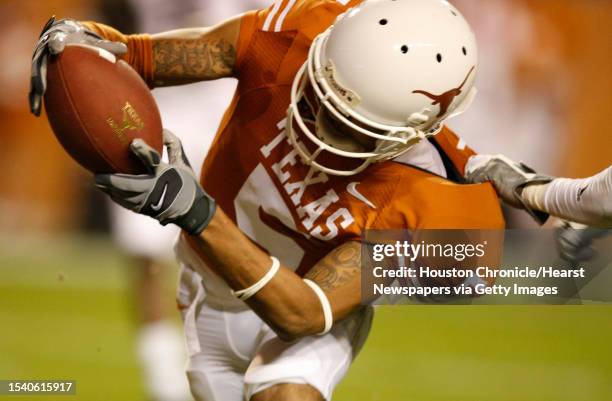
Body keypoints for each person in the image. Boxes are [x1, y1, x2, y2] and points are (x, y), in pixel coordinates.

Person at [28, 1, 607, 400]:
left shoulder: (425, 199)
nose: (321, 133)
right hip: (207, 291)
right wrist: (81, 47)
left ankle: (562, 225)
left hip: (315, 311)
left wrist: (193, 210)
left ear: (408, 135)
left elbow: (303, 313)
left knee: (288, 390)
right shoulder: (291, 35)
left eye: (353, 127)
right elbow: (143, 57)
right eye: (324, 99)